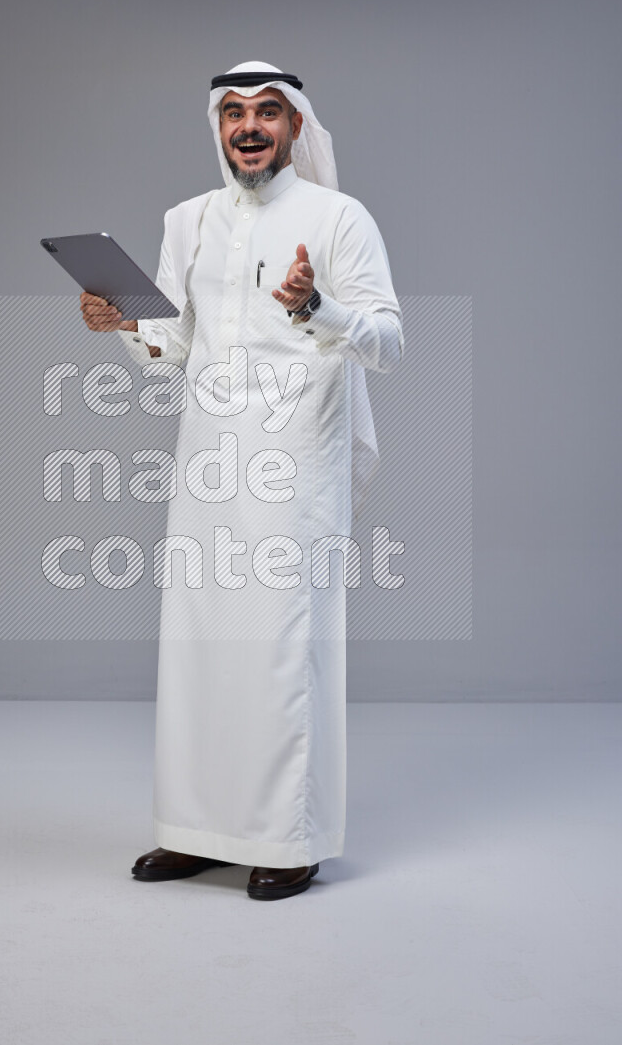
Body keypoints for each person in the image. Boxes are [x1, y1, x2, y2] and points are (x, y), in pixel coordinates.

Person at [81, 61, 404, 900]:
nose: (249, 126)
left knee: (281, 647)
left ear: (294, 124)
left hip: (298, 460)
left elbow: (388, 341)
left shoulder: (338, 217)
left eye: (266, 111)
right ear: (218, 127)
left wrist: (315, 306)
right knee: (199, 645)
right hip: (207, 460)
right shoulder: (186, 219)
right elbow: (173, 345)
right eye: (233, 112)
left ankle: (288, 838)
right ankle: (195, 831)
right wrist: (124, 321)